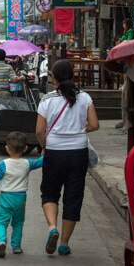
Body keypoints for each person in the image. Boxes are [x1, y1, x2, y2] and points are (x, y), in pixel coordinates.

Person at [35, 60, 100, 256]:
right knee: (73, 197)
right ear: (72, 75)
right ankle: (64, 242)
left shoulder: (47, 100)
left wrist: (45, 145)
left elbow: (39, 130)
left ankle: (52, 228)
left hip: (54, 151)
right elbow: (95, 125)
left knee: (50, 193)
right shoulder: (85, 97)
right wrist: (79, 130)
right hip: (78, 152)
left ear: (53, 77)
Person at [0, 132, 43, 258]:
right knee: (18, 223)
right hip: (21, 199)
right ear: (25, 148)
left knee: (1, 222)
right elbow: (41, 162)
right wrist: (47, 152)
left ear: (7, 148)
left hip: (6, 198)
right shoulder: (27, 163)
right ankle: (16, 247)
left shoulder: (3, 165)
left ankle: (2, 241)